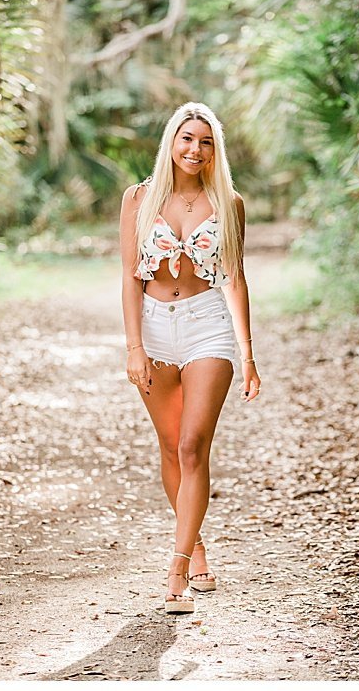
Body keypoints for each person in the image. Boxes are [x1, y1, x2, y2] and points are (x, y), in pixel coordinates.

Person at [118, 102, 261, 615]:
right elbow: (131, 277)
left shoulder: (230, 203)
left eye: (205, 141)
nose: (195, 150)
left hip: (207, 325)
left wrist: (247, 354)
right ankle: (196, 543)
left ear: (214, 149)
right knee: (169, 444)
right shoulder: (138, 199)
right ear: (171, 143)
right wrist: (135, 347)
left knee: (194, 445)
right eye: (186, 139)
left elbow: (236, 279)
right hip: (154, 328)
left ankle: (177, 567)